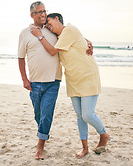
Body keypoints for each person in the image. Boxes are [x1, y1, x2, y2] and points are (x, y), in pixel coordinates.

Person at [18, 2, 93, 160]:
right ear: (32, 15)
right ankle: (43, 134)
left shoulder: (52, 31)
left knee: (46, 115)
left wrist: (87, 41)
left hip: (53, 81)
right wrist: (24, 79)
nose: (43, 14)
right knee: (38, 115)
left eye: (44, 11)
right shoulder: (25, 33)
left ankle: (40, 146)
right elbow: (21, 57)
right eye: (39, 12)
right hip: (35, 82)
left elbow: (71, 36)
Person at [30, 13, 109, 158]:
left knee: (87, 114)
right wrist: (86, 40)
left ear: (57, 19)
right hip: (73, 80)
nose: (47, 25)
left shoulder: (70, 30)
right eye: (46, 24)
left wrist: (39, 35)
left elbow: (53, 51)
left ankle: (103, 135)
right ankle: (85, 148)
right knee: (80, 116)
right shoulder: (60, 38)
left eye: (49, 21)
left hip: (87, 77)